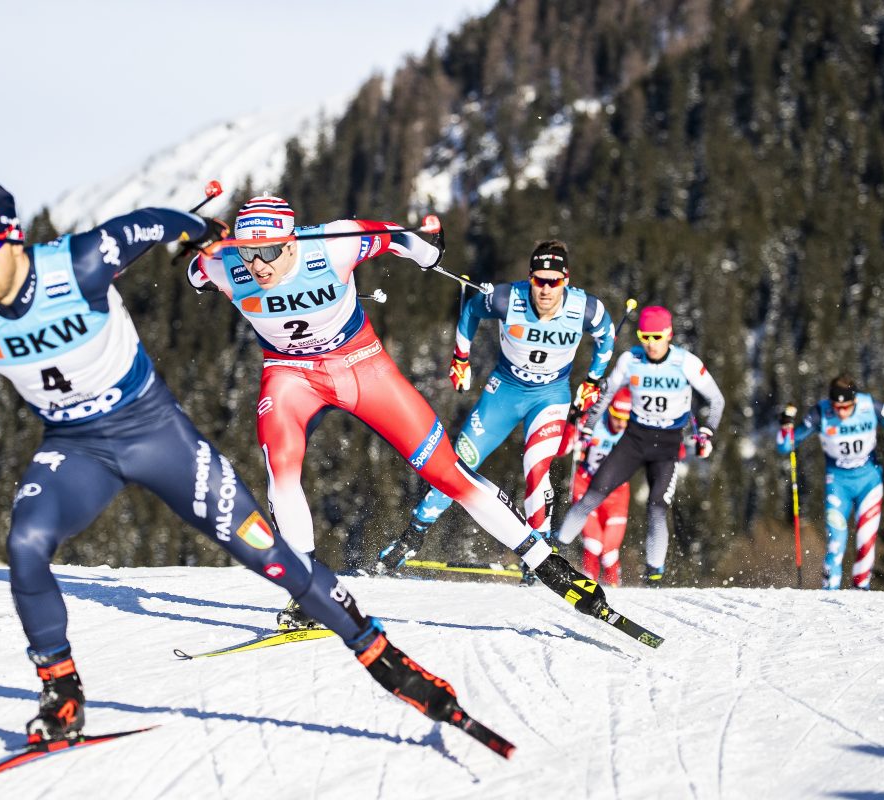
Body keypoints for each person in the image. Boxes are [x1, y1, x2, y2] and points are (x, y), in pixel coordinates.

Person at [0, 182, 484, 743]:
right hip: (75, 445)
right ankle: (62, 693)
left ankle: (379, 653)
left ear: (14, 240)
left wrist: (202, 232)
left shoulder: (81, 262)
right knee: (25, 545)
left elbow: (152, 221)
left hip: (152, 432)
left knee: (267, 553)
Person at [190, 196, 610, 628]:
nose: (259, 265)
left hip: (361, 366)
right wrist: (201, 243)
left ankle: (551, 568)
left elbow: (397, 237)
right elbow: (194, 269)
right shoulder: (224, 264)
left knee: (447, 472)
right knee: (281, 470)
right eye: (249, 251)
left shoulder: (334, 244)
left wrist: (430, 251)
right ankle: (309, 593)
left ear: (292, 242)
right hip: (290, 376)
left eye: (270, 251)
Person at [375, 240, 614, 572]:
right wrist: (461, 358)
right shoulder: (507, 299)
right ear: (530, 278)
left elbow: (607, 336)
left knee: (536, 467)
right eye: (539, 280)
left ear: (566, 281)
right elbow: (472, 310)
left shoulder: (586, 308)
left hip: (550, 396)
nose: (545, 290)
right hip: (505, 392)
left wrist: (593, 380)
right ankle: (412, 536)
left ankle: (541, 554)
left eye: (553, 282)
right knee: (459, 461)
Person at [556, 306, 724, 585]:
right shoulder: (630, 359)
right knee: (594, 493)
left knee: (657, 507)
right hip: (635, 439)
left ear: (669, 334)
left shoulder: (686, 362)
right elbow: (607, 394)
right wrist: (587, 425)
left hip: (668, 444)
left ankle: (654, 574)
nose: (650, 343)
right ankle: (554, 551)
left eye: (656, 337)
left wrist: (707, 432)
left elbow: (717, 400)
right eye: (644, 336)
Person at [777, 375, 884, 589]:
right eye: (837, 407)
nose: (841, 412)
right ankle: (829, 591)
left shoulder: (871, 406)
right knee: (836, 541)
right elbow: (786, 446)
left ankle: (860, 588)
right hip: (838, 485)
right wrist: (785, 426)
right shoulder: (821, 412)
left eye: (846, 407)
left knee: (866, 541)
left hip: (869, 482)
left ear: (855, 401)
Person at [568, 387, 633, 586]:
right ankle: (588, 587)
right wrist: (573, 421)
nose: (621, 423)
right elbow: (569, 443)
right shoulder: (594, 422)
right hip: (586, 487)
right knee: (593, 543)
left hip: (617, 494)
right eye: (616, 417)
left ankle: (614, 591)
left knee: (610, 552)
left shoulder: (635, 431)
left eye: (626, 419)